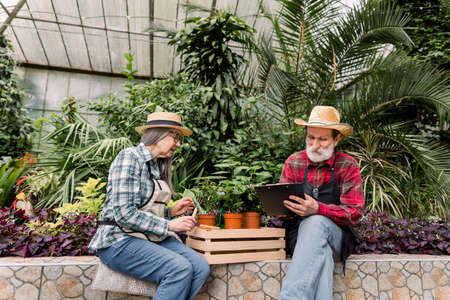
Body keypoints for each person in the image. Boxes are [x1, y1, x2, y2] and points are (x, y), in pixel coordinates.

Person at [88, 112, 210, 300]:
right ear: (158, 134)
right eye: (175, 137)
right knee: (178, 268)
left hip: (145, 237)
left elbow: (144, 210)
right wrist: (170, 225)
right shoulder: (129, 158)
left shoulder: (155, 166)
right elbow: (124, 214)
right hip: (117, 239)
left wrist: (170, 211)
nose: (178, 144)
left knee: (200, 267)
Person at [278, 106, 364, 300]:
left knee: (315, 222)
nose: (315, 144)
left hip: (339, 236)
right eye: (311, 137)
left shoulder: (347, 165)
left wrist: (318, 209)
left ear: (336, 139)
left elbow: (354, 213)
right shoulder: (294, 162)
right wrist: (281, 207)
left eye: (323, 139)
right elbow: (281, 211)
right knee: (321, 257)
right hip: (299, 237)